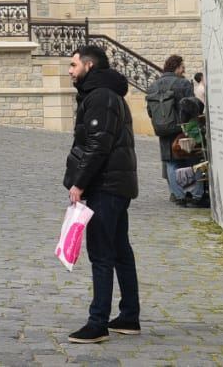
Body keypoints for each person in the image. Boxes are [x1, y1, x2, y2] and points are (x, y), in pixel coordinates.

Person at [63, 44, 140, 344]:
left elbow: (98, 144)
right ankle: (129, 316)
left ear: (89, 66)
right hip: (116, 185)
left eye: (73, 65)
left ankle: (98, 322)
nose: (70, 71)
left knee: (102, 255)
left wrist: (79, 183)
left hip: (106, 186)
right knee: (121, 251)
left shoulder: (100, 97)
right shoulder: (106, 95)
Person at [146, 55, 200, 206]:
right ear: (176, 67)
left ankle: (178, 196)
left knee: (171, 163)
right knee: (191, 161)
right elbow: (192, 107)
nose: (184, 70)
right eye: (182, 67)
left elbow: (150, 111)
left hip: (163, 129)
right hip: (183, 128)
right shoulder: (183, 84)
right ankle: (195, 195)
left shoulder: (153, 86)